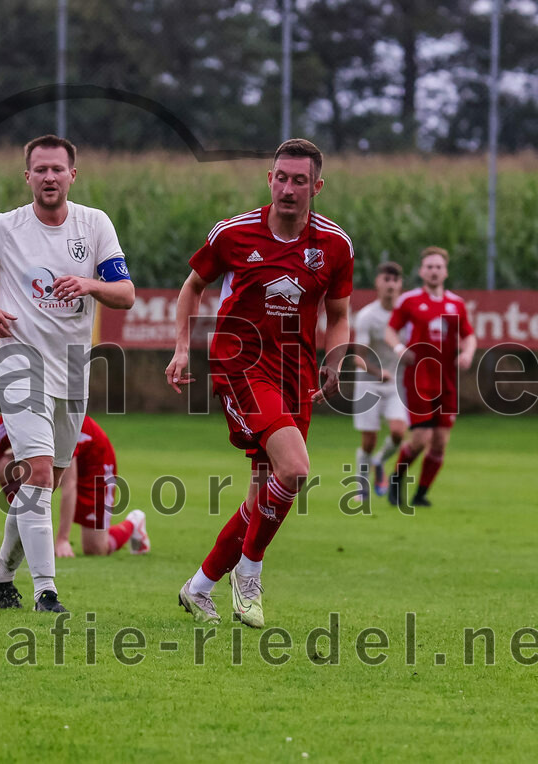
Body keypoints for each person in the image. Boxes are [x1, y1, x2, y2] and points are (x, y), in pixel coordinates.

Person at [166, 138, 353, 627]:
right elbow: (192, 288)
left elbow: (339, 313)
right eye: (281, 178)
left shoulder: (334, 244)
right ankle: (249, 574)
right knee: (293, 470)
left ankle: (198, 587)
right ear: (269, 179)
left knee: (263, 496)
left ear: (317, 186)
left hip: (297, 375)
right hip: (241, 364)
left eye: (299, 181)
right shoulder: (234, 234)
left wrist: (336, 356)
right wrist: (183, 347)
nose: (289, 189)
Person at [0, 135, 135, 613]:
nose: (49, 177)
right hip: (19, 363)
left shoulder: (95, 225)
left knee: (42, 482)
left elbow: (126, 293)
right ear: (26, 176)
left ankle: (1, 575)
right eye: (40, 170)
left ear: (73, 175)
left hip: (72, 369)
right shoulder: (3, 229)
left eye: (57, 169)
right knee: (40, 473)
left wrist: (91, 283)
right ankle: (46, 591)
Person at [0, 415, 149, 561]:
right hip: (58, 457)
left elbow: (69, 483)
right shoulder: (7, 421)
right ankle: (25, 531)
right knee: (3, 464)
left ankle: (134, 523)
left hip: (95, 464)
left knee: (95, 548)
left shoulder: (59, 422)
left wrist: (62, 539)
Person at [385, 246, 476, 508]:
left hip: (447, 379)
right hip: (419, 379)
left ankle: (421, 493)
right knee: (421, 439)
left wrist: (468, 352)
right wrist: (400, 349)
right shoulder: (410, 301)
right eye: (429, 266)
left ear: (445, 271)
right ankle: (396, 477)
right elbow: (391, 331)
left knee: (440, 443)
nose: (434, 271)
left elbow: (469, 335)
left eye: (438, 267)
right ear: (422, 271)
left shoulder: (456, 304)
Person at [350, 262, 407, 500]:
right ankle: (361, 489)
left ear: (400, 285)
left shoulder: (408, 314)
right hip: (368, 384)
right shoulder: (367, 316)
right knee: (369, 440)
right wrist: (377, 372)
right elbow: (357, 358)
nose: (391, 285)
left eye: (395, 281)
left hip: (396, 384)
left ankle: (378, 461)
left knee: (398, 432)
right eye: (386, 280)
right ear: (378, 283)